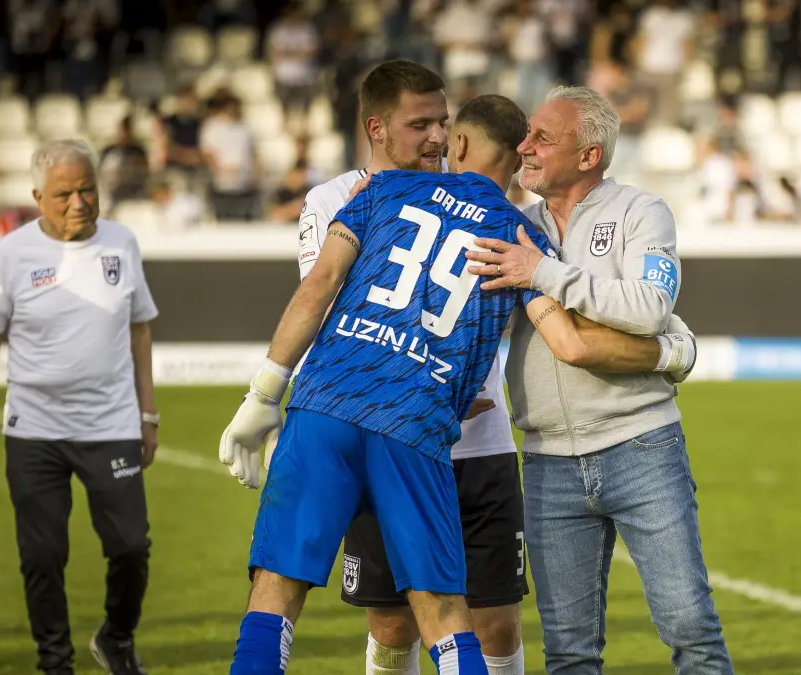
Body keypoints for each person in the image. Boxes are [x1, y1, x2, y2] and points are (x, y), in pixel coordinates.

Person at [216, 94, 695, 675]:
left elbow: (319, 286)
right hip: (418, 426)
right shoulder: (522, 240)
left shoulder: (382, 190)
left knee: (277, 589)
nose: (438, 138)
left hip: (329, 402)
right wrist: (672, 351)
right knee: (443, 611)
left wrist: (263, 396)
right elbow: (572, 346)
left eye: (445, 128)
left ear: (460, 144)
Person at [466, 86, 734, 674]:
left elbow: (647, 309)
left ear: (589, 156)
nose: (524, 147)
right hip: (546, 461)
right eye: (526, 134)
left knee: (691, 629)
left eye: (542, 137)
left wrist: (543, 272)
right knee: (567, 653)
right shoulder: (512, 224)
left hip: (641, 446)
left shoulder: (641, 212)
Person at [295, 59, 524, 675]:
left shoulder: (475, 197)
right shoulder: (333, 199)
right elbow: (330, 308)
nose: (437, 138)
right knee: (394, 621)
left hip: (480, 441)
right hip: (384, 434)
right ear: (377, 126)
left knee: (495, 621)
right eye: (420, 123)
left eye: (443, 124)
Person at [0, 138, 159, 675]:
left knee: (129, 547)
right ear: (37, 197)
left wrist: (148, 414)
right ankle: (55, 664)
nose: (79, 202)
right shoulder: (12, 253)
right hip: (35, 433)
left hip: (112, 424)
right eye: (64, 194)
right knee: (43, 557)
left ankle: (116, 638)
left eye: (87, 189)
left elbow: (140, 330)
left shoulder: (122, 242)